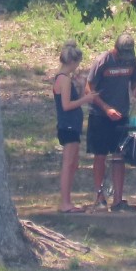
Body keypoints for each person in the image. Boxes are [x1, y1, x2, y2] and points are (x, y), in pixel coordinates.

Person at [87, 32, 136, 211]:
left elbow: (135, 81)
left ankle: (118, 199)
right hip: (100, 115)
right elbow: (89, 89)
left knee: (119, 156)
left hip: (121, 115)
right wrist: (106, 108)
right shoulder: (103, 61)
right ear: (115, 49)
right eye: (122, 54)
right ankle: (99, 196)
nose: (124, 58)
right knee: (100, 155)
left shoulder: (132, 61)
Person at [52, 41, 95, 212]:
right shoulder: (64, 80)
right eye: (77, 63)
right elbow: (66, 105)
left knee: (73, 164)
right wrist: (86, 100)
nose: (77, 67)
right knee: (68, 164)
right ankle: (65, 203)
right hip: (68, 126)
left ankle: (67, 201)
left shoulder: (62, 79)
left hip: (71, 126)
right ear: (72, 62)